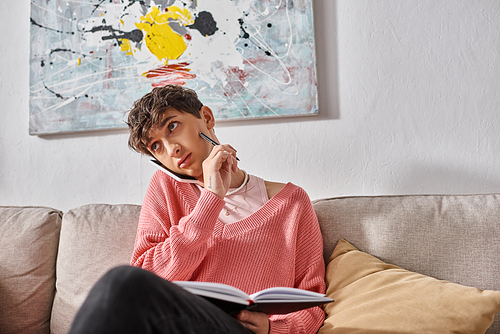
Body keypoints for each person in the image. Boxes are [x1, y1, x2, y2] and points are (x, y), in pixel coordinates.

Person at [68, 85, 326, 334]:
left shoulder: (292, 203)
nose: (171, 149)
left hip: (245, 331)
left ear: (206, 117)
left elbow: (313, 301)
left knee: (120, 280)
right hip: (178, 325)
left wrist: (274, 328)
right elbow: (146, 280)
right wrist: (211, 199)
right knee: (122, 281)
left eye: (172, 126)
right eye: (156, 146)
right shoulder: (166, 187)